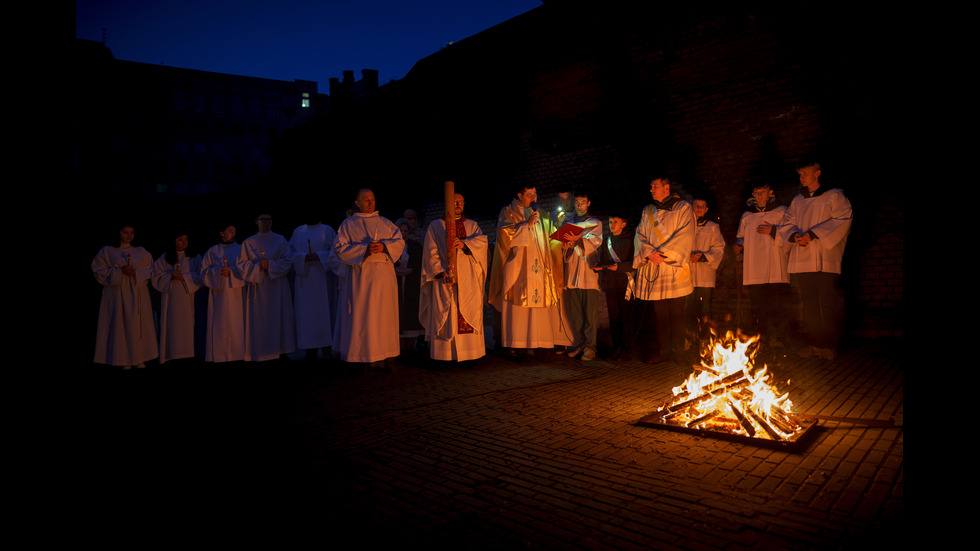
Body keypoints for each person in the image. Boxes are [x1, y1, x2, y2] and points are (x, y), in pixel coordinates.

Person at [779, 159, 853, 360]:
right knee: (809, 304)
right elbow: (787, 223)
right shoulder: (797, 200)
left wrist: (813, 234)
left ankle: (829, 345)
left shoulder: (834, 195)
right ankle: (814, 344)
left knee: (827, 304)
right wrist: (795, 236)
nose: (801, 177)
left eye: (805, 173)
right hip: (803, 258)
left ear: (817, 172)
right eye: (800, 174)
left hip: (824, 258)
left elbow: (843, 219)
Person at [488, 184, 565, 359]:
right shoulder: (508, 211)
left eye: (535, 194)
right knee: (520, 309)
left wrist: (563, 241)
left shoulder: (543, 214)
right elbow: (503, 235)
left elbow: (551, 238)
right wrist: (525, 225)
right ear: (520, 195)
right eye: (529, 195)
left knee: (540, 311)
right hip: (520, 270)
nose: (534, 198)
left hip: (540, 270)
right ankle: (520, 347)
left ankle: (542, 346)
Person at [334, 189, 405, 367]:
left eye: (372, 199)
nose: (370, 202)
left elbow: (399, 242)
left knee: (385, 316)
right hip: (362, 279)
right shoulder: (348, 225)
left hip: (384, 278)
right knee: (364, 317)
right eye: (366, 199)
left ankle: (389, 356)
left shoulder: (386, 223)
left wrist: (383, 246)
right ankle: (363, 359)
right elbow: (339, 248)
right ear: (357, 203)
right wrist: (364, 250)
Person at [632, 176, 696, 365]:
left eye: (655, 186)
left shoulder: (683, 208)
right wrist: (649, 253)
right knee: (659, 313)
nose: (651, 189)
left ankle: (679, 351)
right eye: (651, 186)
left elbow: (686, 233)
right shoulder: (648, 211)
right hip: (654, 265)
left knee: (677, 312)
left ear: (667, 187)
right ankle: (663, 351)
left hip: (673, 266)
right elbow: (639, 235)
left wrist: (664, 254)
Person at [419, 192, 489, 364]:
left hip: (468, 279)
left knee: (467, 312)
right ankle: (444, 356)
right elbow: (430, 251)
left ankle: (470, 355)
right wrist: (441, 271)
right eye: (455, 202)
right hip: (444, 279)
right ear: (448, 204)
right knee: (446, 314)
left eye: (461, 202)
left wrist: (465, 244)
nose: (458, 205)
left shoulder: (472, 225)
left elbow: (483, 243)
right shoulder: (436, 226)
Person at [92, 225, 158, 369]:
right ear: (118, 232)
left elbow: (151, 271)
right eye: (125, 232)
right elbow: (98, 270)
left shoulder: (141, 252)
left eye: (132, 232)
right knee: (120, 325)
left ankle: (139, 357)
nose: (129, 235)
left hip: (138, 292)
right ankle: (123, 358)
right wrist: (120, 271)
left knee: (138, 325)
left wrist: (135, 273)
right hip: (117, 294)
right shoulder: (108, 251)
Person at [734, 183, 791, 348]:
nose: (759, 195)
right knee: (759, 306)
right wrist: (740, 245)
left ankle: (781, 338)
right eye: (756, 192)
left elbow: (789, 233)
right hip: (755, 267)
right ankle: (764, 338)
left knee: (777, 304)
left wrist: (773, 231)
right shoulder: (747, 215)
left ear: (770, 193)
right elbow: (741, 236)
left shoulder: (781, 212)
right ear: (753, 193)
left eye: (763, 192)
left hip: (775, 265)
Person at [237, 213, 296, 361]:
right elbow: (241, 264)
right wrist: (257, 267)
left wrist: (270, 265)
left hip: (277, 287)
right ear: (256, 221)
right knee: (259, 320)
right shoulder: (249, 242)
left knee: (279, 317)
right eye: (263, 219)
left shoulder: (280, 240)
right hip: (259, 289)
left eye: (269, 219)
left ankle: (281, 351)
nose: (266, 222)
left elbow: (288, 260)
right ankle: (260, 352)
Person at [557, 191, 603, 361]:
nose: (579, 206)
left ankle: (591, 347)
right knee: (576, 314)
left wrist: (578, 240)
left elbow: (595, 242)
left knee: (589, 314)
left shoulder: (595, 223)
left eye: (582, 203)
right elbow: (565, 248)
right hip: (573, 273)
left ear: (588, 203)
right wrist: (566, 245)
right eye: (576, 203)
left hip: (588, 273)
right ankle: (580, 344)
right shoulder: (569, 223)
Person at [288, 215, 337, 361]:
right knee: (307, 315)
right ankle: (310, 351)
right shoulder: (298, 232)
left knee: (325, 313)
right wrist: (302, 257)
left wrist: (319, 256)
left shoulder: (327, 230)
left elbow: (336, 252)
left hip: (324, 281)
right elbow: (290, 253)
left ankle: (327, 348)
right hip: (305, 282)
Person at [151, 231, 203, 364]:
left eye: (186, 239)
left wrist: (184, 277)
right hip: (171, 298)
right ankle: (172, 352)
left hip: (189, 298)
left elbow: (202, 275)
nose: (184, 242)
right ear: (174, 240)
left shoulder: (195, 257)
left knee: (189, 324)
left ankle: (191, 352)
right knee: (172, 325)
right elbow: (155, 276)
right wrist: (170, 276)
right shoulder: (165, 258)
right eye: (180, 239)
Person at [201, 224, 246, 363]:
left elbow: (247, 269)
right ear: (221, 233)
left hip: (238, 294)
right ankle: (220, 355)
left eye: (235, 231)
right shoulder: (213, 251)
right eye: (230, 231)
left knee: (238, 324)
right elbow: (203, 274)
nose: (234, 233)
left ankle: (240, 354)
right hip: (219, 296)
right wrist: (218, 272)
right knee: (220, 324)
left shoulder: (241, 249)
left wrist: (231, 272)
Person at [593, 212, 635, 361]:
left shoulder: (631, 241)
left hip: (625, 284)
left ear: (624, 224)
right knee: (614, 318)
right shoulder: (607, 241)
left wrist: (620, 268)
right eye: (610, 222)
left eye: (615, 222)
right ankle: (616, 347)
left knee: (626, 318)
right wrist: (599, 267)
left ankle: (626, 350)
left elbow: (635, 264)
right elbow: (604, 261)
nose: (612, 225)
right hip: (610, 284)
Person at [688, 199, 725, 348]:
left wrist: (703, 256)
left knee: (705, 308)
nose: (699, 209)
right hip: (688, 274)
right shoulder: (685, 228)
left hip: (704, 274)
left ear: (706, 209)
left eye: (702, 206)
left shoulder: (712, 227)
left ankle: (705, 338)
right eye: (696, 206)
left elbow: (719, 247)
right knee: (689, 308)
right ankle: (690, 338)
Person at [394, 217, 424, 347]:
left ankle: (411, 348)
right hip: (396, 284)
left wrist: (411, 270)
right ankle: (399, 349)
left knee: (411, 313)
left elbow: (420, 264)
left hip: (411, 285)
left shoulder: (415, 246)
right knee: (398, 313)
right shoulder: (392, 247)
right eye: (401, 231)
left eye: (406, 231)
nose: (403, 233)